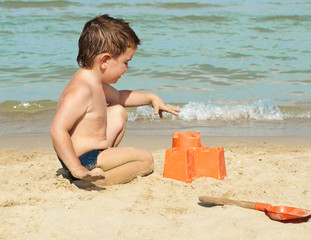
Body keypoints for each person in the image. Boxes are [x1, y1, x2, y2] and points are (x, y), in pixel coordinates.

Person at [50, 14, 180, 186]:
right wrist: (75, 168)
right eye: (126, 62)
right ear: (105, 60)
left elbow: (119, 97)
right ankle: (90, 182)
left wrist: (151, 98)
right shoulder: (81, 90)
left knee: (118, 111)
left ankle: (103, 164)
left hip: (95, 152)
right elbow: (57, 130)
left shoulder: (95, 82)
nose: (127, 68)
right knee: (146, 160)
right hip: (83, 159)